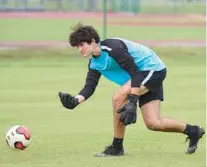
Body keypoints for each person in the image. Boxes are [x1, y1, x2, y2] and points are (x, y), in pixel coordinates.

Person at [58, 23, 205, 157]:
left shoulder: (112, 48)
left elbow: (135, 72)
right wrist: (75, 101)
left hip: (152, 70)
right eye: (77, 46)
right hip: (140, 78)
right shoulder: (94, 63)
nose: (80, 49)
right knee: (154, 123)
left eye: (81, 44)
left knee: (119, 96)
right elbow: (89, 87)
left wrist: (132, 101)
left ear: (93, 40)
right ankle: (193, 131)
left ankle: (116, 147)